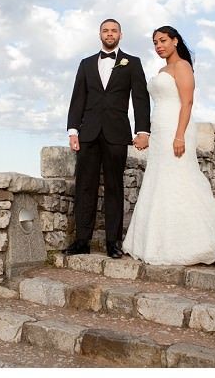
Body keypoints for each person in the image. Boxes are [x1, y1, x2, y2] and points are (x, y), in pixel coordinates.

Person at [123, 25, 215, 268]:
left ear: (175, 41)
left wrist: (180, 136)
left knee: (180, 177)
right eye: (155, 42)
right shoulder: (163, 69)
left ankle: (193, 240)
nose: (158, 46)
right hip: (160, 129)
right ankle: (156, 240)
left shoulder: (183, 66)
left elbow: (188, 103)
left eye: (163, 40)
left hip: (176, 129)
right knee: (160, 178)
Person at [65, 18, 151, 259]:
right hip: (88, 133)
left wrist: (143, 131)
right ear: (99, 34)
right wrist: (73, 130)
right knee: (85, 187)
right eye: (106, 30)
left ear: (120, 35)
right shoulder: (85, 64)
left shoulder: (132, 63)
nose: (110, 34)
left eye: (114, 31)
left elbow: (141, 99)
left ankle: (113, 242)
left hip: (116, 132)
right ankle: (82, 241)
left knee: (115, 187)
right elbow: (77, 98)